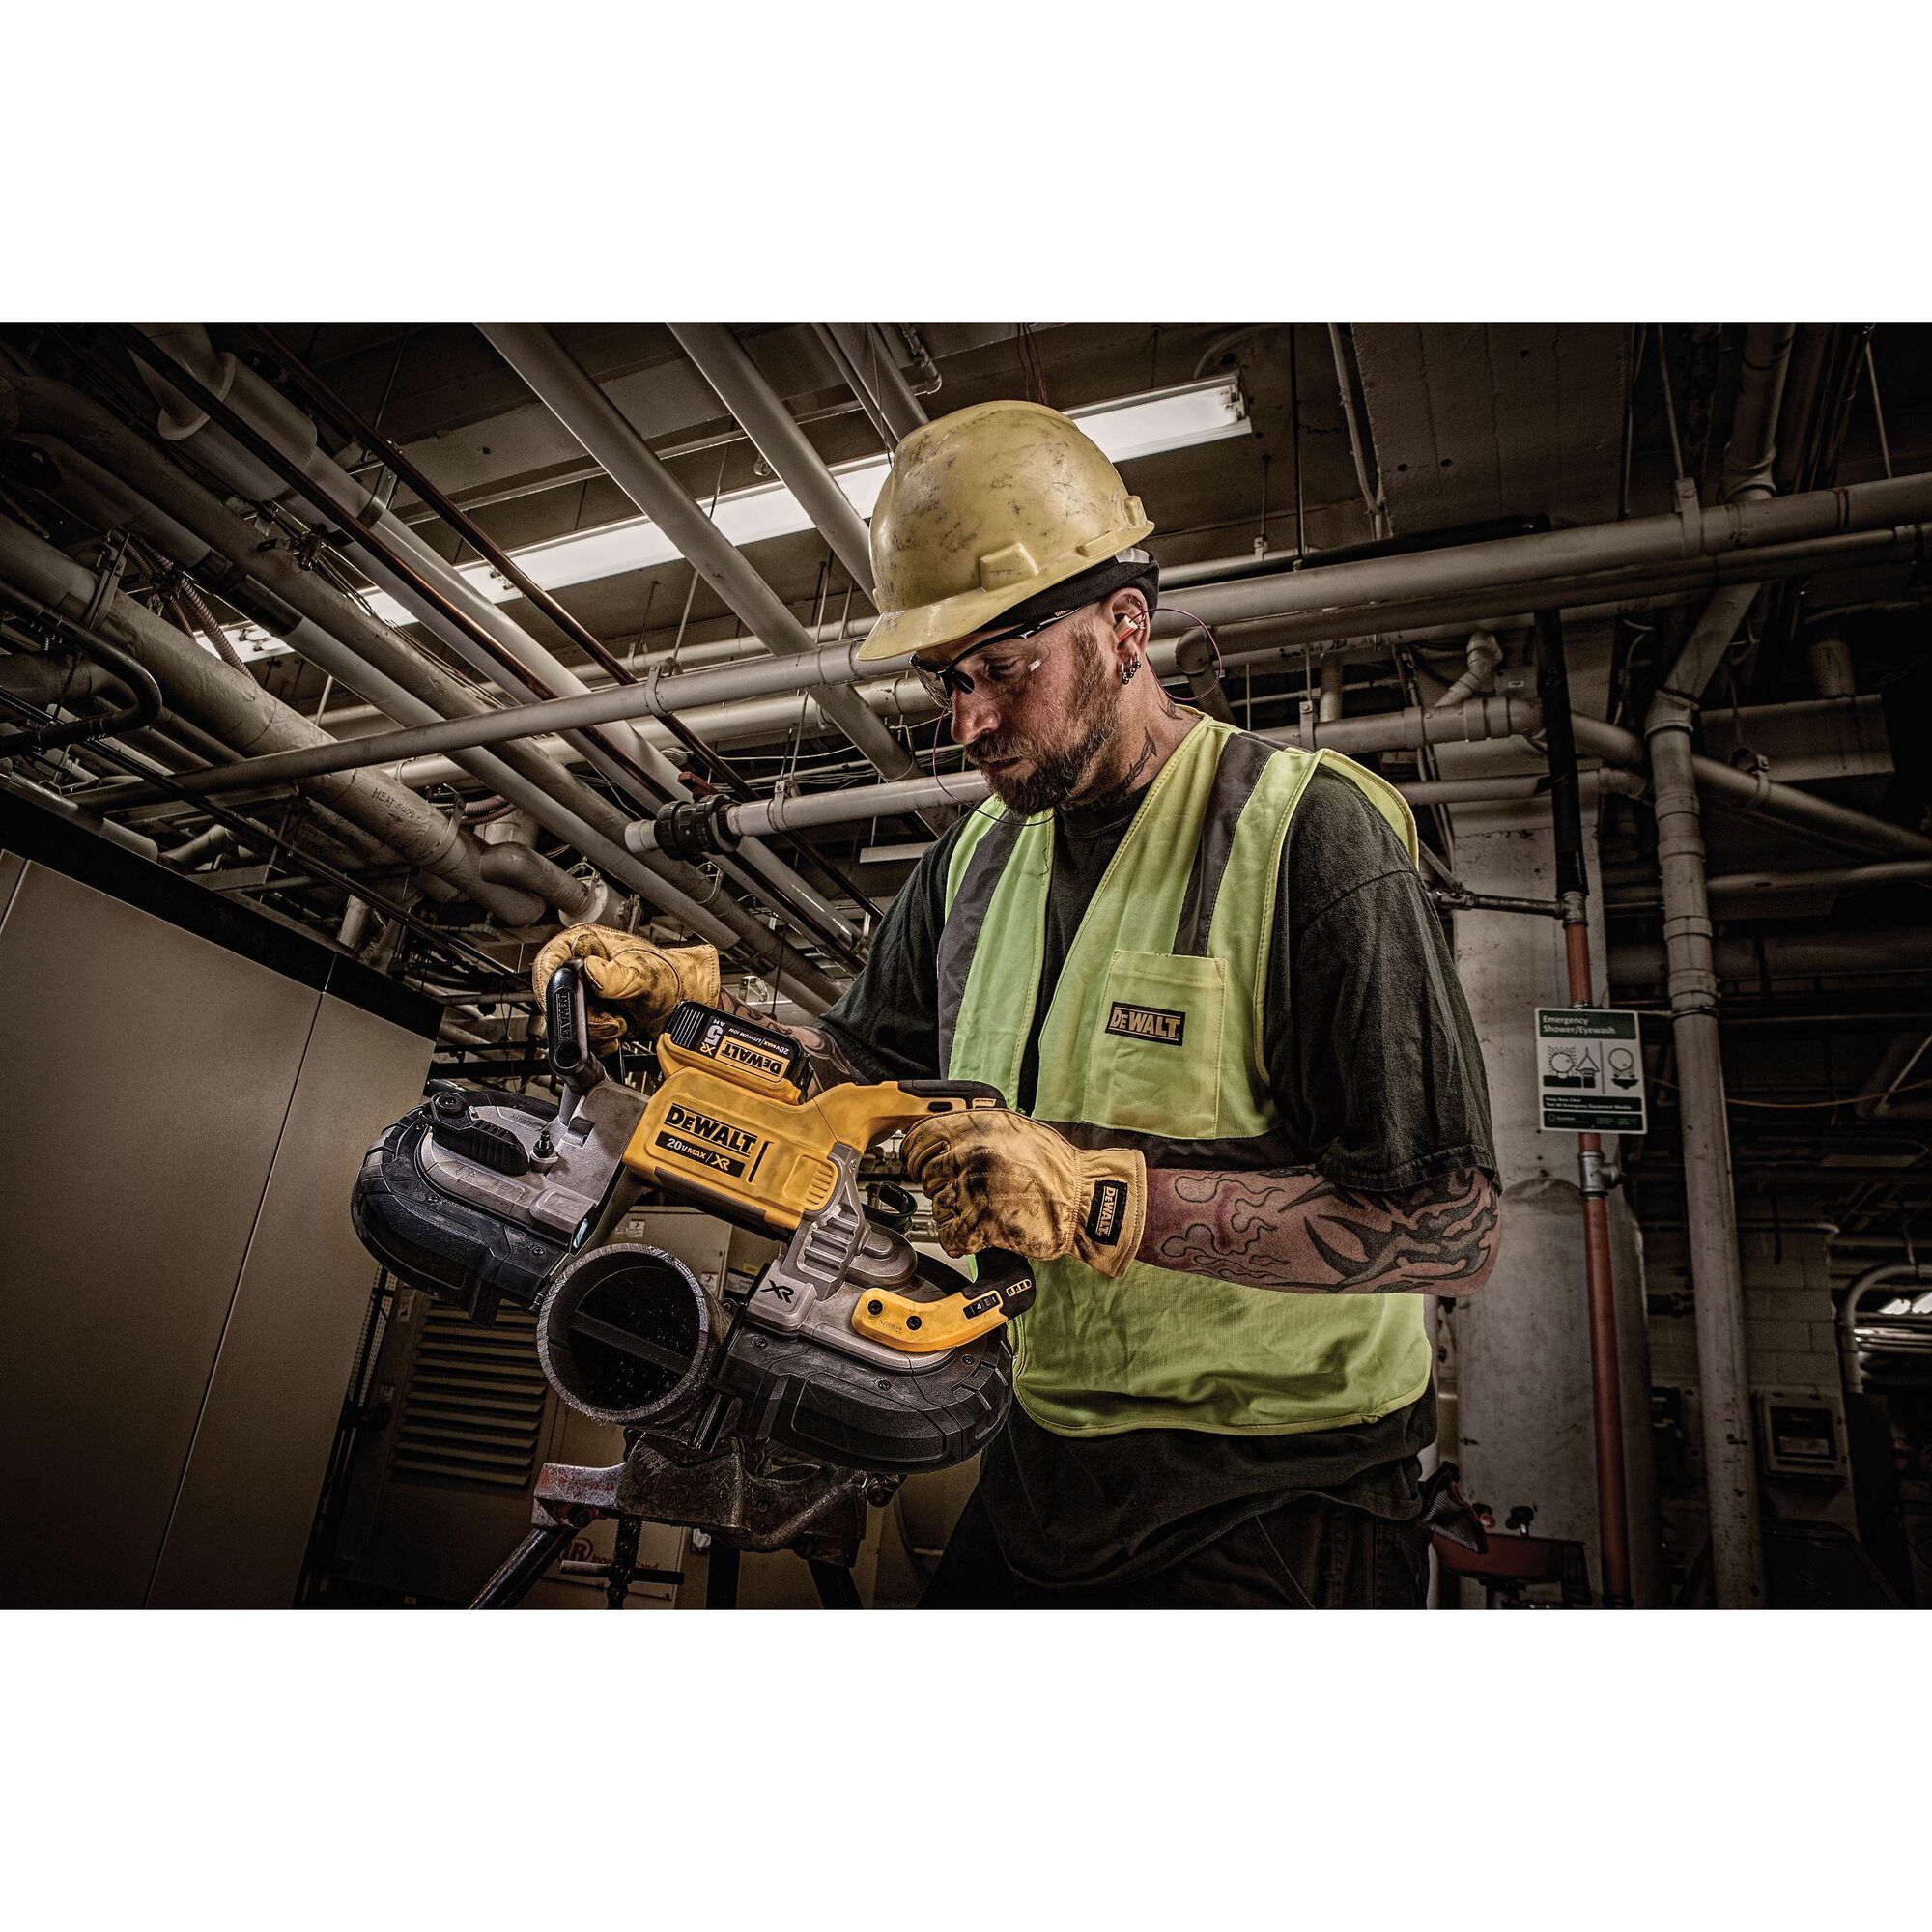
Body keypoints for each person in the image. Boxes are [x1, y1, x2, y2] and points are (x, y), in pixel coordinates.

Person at [534, 399, 1499, 1608]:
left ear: (1125, 628)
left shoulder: (1308, 834)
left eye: (1004, 669)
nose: (971, 720)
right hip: (1036, 1445)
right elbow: (846, 1075)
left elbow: (1450, 1225)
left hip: (1283, 1493)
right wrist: (686, 1023)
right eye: (948, 680)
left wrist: (1101, 1196)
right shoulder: (978, 859)